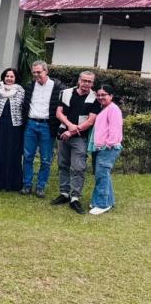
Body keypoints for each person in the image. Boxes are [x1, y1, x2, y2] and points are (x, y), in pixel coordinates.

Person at [50, 71, 100, 215]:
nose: (86, 84)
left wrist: (72, 131)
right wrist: (69, 126)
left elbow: (90, 121)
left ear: (92, 83)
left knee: (78, 168)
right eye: (84, 80)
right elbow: (59, 113)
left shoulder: (95, 98)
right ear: (79, 80)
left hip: (80, 137)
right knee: (63, 164)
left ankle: (75, 198)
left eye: (89, 81)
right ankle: (64, 194)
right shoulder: (65, 92)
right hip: (63, 135)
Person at [21, 61, 64, 197]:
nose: (36, 75)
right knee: (28, 156)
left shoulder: (58, 87)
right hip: (31, 124)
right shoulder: (29, 86)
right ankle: (27, 184)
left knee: (46, 159)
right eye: (34, 72)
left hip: (47, 125)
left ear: (46, 71)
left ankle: (40, 186)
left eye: (39, 72)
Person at [88, 85, 122, 215]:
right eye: (99, 95)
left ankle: (102, 204)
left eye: (104, 95)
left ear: (111, 96)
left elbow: (115, 129)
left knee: (102, 175)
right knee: (103, 175)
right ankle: (107, 201)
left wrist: (108, 144)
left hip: (108, 148)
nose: (101, 97)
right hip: (101, 147)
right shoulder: (104, 108)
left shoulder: (113, 109)